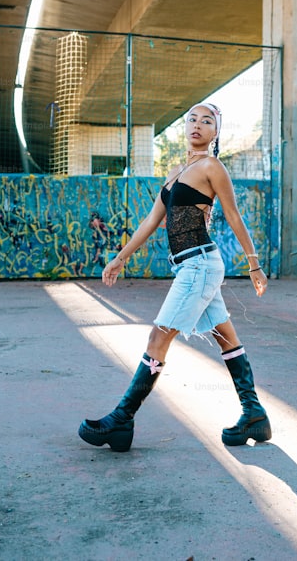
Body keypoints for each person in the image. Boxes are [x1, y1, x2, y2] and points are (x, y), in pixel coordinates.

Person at [78, 102, 271, 452]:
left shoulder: (212, 167)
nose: (197, 125)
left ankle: (122, 419)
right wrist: (120, 258)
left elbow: (233, 215)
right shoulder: (176, 171)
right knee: (226, 338)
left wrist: (253, 263)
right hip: (189, 265)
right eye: (192, 119)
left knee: (158, 336)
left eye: (207, 120)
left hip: (200, 264)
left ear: (216, 132)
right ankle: (254, 414)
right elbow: (152, 221)